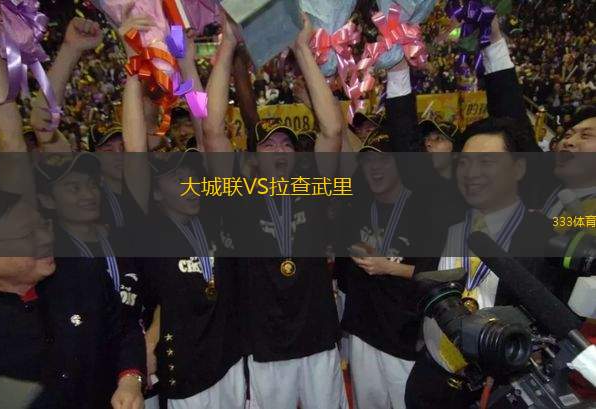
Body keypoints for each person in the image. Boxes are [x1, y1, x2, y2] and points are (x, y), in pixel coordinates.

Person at [202, 12, 348, 409]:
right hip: (264, 342)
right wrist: (228, 44)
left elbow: (333, 130)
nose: (280, 150)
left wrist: (302, 48)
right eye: (268, 145)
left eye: (287, 145)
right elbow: (212, 131)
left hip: (318, 336)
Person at [120, 14, 243, 409]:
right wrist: (133, 70)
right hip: (185, 372)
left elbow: (207, 131)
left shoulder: (215, 209)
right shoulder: (151, 224)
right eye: (177, 180)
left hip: (231, 360)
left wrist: (188, 61)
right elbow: (135, 152)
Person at [0, 184, 145, 409]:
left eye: (44, 225)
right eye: (28, 236)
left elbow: (124, 330)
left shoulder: (83, 276)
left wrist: (130, 380)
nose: (46, 239)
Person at [405, 117, 564, 409]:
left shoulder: (546, 239)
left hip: (499, 393)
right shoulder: (445, 225)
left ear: (518, 168)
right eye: (464, 163)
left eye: (486, 162)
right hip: (431, 381)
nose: (471, 173)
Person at [335, 132, 441, 409]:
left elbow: (434, 272)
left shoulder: (423, 209)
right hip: (363, 328)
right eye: (368, 162)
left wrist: (388, 267)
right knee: (367, 402)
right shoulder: (359, 203)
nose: (375, 168)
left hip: (402, 335)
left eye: (384, 161)